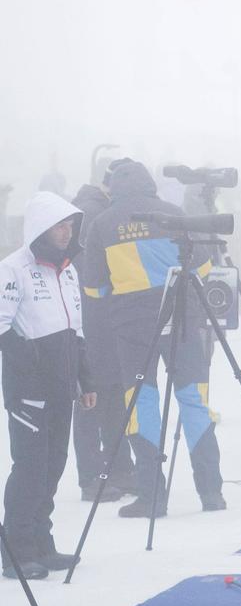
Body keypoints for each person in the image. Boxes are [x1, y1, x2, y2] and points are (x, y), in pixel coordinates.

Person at [78, 159, 224, 518]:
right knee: (193, 401)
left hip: (133, 330)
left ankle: (152, 496)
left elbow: (94, 288)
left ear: (113, 189)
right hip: (184, 320)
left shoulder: (102, 224)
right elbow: (204, 267)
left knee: (142, 405)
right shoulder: (173, 212)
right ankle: (211, 492)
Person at [1, 192, 88, 579]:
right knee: (31, 467)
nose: (67, 232)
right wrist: (29, 365)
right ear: (40, 228)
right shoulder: (13, 269)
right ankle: (16, 551)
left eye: (70, 224)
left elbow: (77, 329)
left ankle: (42, 543)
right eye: (59, 225)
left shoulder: (68, 268)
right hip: (28, 389)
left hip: (62, 385)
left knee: (54, 465)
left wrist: (86, 378)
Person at [66, 182, 133, 501]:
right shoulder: (102, 217)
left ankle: (93, 476)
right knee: (109, 399)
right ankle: (114, 471)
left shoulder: (71, 217)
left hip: (79, 325)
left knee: (89, 399)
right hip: (104, 321)